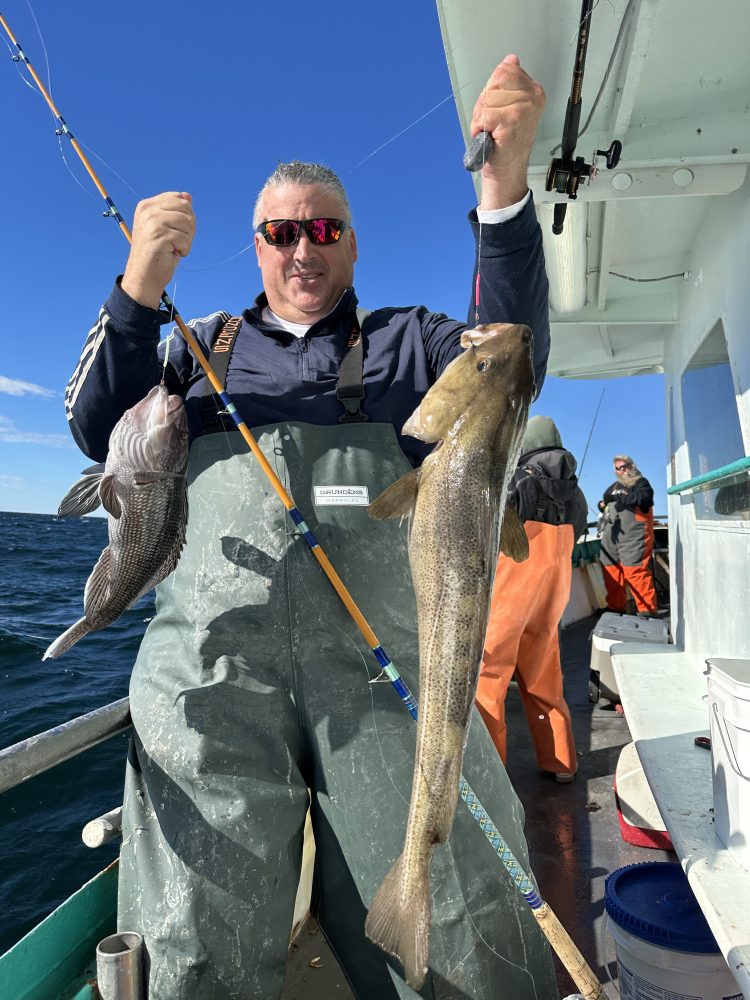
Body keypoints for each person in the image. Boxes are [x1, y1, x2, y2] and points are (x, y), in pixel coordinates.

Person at [64, 57, 557, 1000]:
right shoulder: (194, 350)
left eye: (323, 229)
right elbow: (95, 428)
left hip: (381, 671)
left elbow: (511, 360)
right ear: (256, 246)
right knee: (193, 934)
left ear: (353, 245)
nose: (303, 249)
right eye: (281, 231)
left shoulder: (412, 345)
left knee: (460, 919)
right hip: (210, 672)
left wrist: (503, 193)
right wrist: (135, 290)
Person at [476, 415, 587, 783]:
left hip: (511, 597)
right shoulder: (577, 492)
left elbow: (489, 528)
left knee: (488, 681)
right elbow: (581, 530)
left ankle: (490, 778)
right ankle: (562, 764)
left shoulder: (516, 480)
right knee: (545, 682)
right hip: (551, 597)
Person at [597, 454, 658, 616]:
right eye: (618, 468)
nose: (622, 470)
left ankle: (647, 610)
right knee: (610, 568)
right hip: (612, 534)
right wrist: (602, 505)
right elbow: (606, 502)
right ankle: (616, 606)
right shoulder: (613, 487)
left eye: (625, 466)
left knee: (635, 569)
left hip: (634, 534)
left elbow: (643, 498)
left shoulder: (641, 483)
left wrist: (616, 498)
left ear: (632, 466)